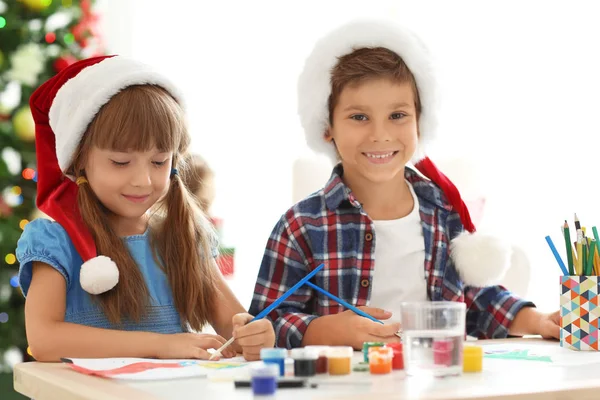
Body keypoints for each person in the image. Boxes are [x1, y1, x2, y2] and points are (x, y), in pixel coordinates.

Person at [250, 20, 559, 349]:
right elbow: (266, 322)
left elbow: (475, 301)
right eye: (359, 117)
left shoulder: (442, 211)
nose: (380, 135)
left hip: (432, 381)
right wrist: (324, 331)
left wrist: (540, 322)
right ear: (328, 127)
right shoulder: (300, 226)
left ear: (420, 123)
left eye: (397, 115)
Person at [17, 55, 274, 361]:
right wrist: (161, 345)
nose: (143, 180)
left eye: (159, 161)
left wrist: (255, 335)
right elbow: (45, 340)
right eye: (121, 162)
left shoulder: (182, 238)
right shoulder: (55, 241)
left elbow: (236, 331)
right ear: (79, 158)